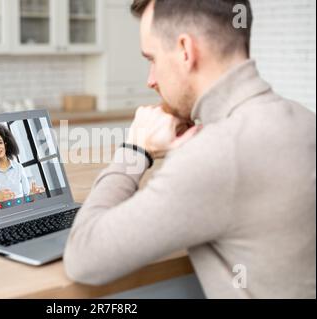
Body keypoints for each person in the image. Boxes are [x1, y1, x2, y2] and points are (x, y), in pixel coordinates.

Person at [63, 0, 316, 298]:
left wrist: (134, 151)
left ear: (185, 50)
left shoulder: (213, 155)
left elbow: (83, 256)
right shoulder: (304, 118)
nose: (150, 80)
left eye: (152, 58)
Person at [0, 124, 45, 208]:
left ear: (5, 143)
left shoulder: (19, 167)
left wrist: (33, 195)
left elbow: (27, 198)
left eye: (0, 142)